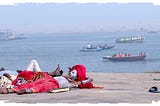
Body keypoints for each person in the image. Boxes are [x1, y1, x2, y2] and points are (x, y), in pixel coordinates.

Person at [0, 60, 95, 95]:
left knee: (43, 86)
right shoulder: (67, 76)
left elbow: (85, 81)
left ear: (78, 76)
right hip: (51, 79)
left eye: (73, 72)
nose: (70, 72)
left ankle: (29, 90)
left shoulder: (73, 82)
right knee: (33, 82)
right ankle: (12, 90)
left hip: (57, 84)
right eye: (71, 71)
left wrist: (86, 79)